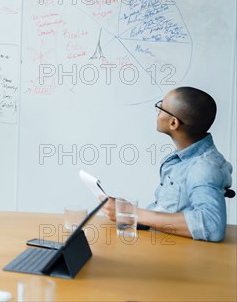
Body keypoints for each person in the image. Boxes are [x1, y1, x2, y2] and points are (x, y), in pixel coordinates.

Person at [100, 86, 233, 242]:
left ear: (173, 123)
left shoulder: (204, 167)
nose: (158, 112)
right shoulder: (182, 157)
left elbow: (212, 227)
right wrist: (129, 214)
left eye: (161, 107)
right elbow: (170, 209)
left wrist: (133, 213)